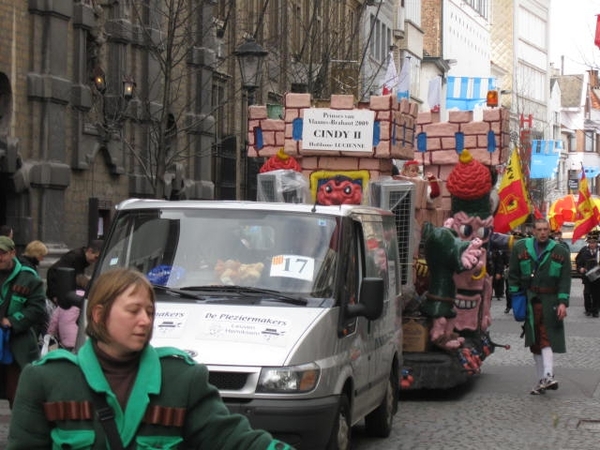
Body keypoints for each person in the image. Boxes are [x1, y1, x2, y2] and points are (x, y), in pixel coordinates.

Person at [7, 267, 293, 449]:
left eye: (150, 312)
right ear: (98, 315)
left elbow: (234, 440)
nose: (145, 320)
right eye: (133, 311)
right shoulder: (46, 379)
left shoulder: (181, 378)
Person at [507, 218, 571, 395]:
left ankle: (549, 375)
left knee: (546, 336)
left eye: (546, 229)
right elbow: (513, 274)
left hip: (550, 301)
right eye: (539, 229)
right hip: (530, 300)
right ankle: (541, 381)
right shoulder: (521, 248)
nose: (543, 232)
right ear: (533, 231)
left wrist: (562, 302)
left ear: (549, 231)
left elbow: (565, 280)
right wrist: (516, 297)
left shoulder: (560, 251)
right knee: (535, 342)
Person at [0, 236, 47, 408]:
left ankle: (19, 432)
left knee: (19, 394)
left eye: (2, 253)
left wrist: (12, 321)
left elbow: (37, 308)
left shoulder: (28, 277)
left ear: (13, 253)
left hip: (17, 344)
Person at [45, 239, 103, 303]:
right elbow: (53, 272)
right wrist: (54, 295)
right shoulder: (75, 258)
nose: (95, 261)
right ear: (90, 251)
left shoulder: (80, 257)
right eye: (96, 257)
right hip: (58, 291)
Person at [575, 231, 600, 317]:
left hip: (598, 277)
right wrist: (580, 268)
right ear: (588, 242)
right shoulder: (584, 250)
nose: (592, 244)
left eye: (594, 242)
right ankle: (588, 309)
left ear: (597, 242)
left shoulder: (599, 251)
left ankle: (595, 310)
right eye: (590, 242)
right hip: (587, 276)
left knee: (596, 293)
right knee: (587, 293)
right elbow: (578, 262)